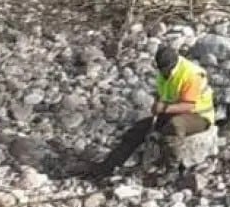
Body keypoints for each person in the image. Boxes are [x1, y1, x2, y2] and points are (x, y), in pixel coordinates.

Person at [90, 42, 216, 176]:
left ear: (173, 64)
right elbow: (163, 94)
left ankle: (171, 169)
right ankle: (107, 167)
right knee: (139, 129)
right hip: (173, 112)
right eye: (161, 69)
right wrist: (159, 106)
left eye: (166, 69)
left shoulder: (191, 75)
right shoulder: (163, 74)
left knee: (174, 126)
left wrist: (164, 108)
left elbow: (189, 105)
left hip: (198, 116)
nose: (163, 72)